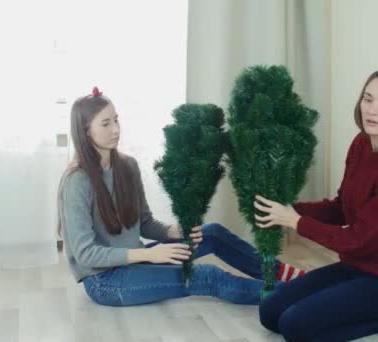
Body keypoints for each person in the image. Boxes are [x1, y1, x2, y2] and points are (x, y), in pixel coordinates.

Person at [57, 87, 305, 307]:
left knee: (213, 233)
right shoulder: (77, 181)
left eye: (117, 120)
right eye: (105, 123)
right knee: (207, 276)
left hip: (137, 260)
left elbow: (144, 223)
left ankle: (283, 274)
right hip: (105, 280)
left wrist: (173, 232)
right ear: (85, 131)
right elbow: (85, 254)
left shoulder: (127, 166)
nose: (116, 129)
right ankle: (295, 294)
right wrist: (149, 255)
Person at [255, 69, 378, 341]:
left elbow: (358, 240)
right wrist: (289, 209)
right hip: (355, 267)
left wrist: (294, 221)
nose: (372, 110)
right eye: (367, 99)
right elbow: (341, 208)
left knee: (294, 326)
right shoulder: (362, 143)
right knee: (270, 312)